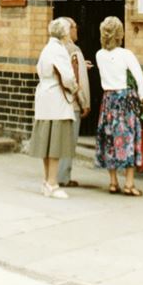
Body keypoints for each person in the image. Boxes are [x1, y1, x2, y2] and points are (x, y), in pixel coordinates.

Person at [95, 15, 143, 196]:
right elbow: (139, 78)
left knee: (110, 139)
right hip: (126, 100)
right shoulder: (126, 54)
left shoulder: (99, 55)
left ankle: (112, 182)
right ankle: (129, 183)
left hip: (108, 100)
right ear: (120, 34)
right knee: (128, 139)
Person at [27, 17, 80, 199]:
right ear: (65, 33)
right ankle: (52, 183)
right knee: (55, 143)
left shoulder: (47, 48)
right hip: (56, 100)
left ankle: (47, 181)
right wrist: (74, 88)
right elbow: (67, 77)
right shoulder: (59, 50)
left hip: (44, 98)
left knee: (46, 142)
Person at [56, 18, 92, 188]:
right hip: (72, 103)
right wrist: (85, 103)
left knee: (57, 139)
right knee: (69, 142)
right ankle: (63, 177)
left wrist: (81, 65)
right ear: (69, 29)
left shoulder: (56, 48)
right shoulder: (74, 50)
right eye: (75, 27)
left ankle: (54, 175)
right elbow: (80, 81)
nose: (77, 30)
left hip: (56, 102)